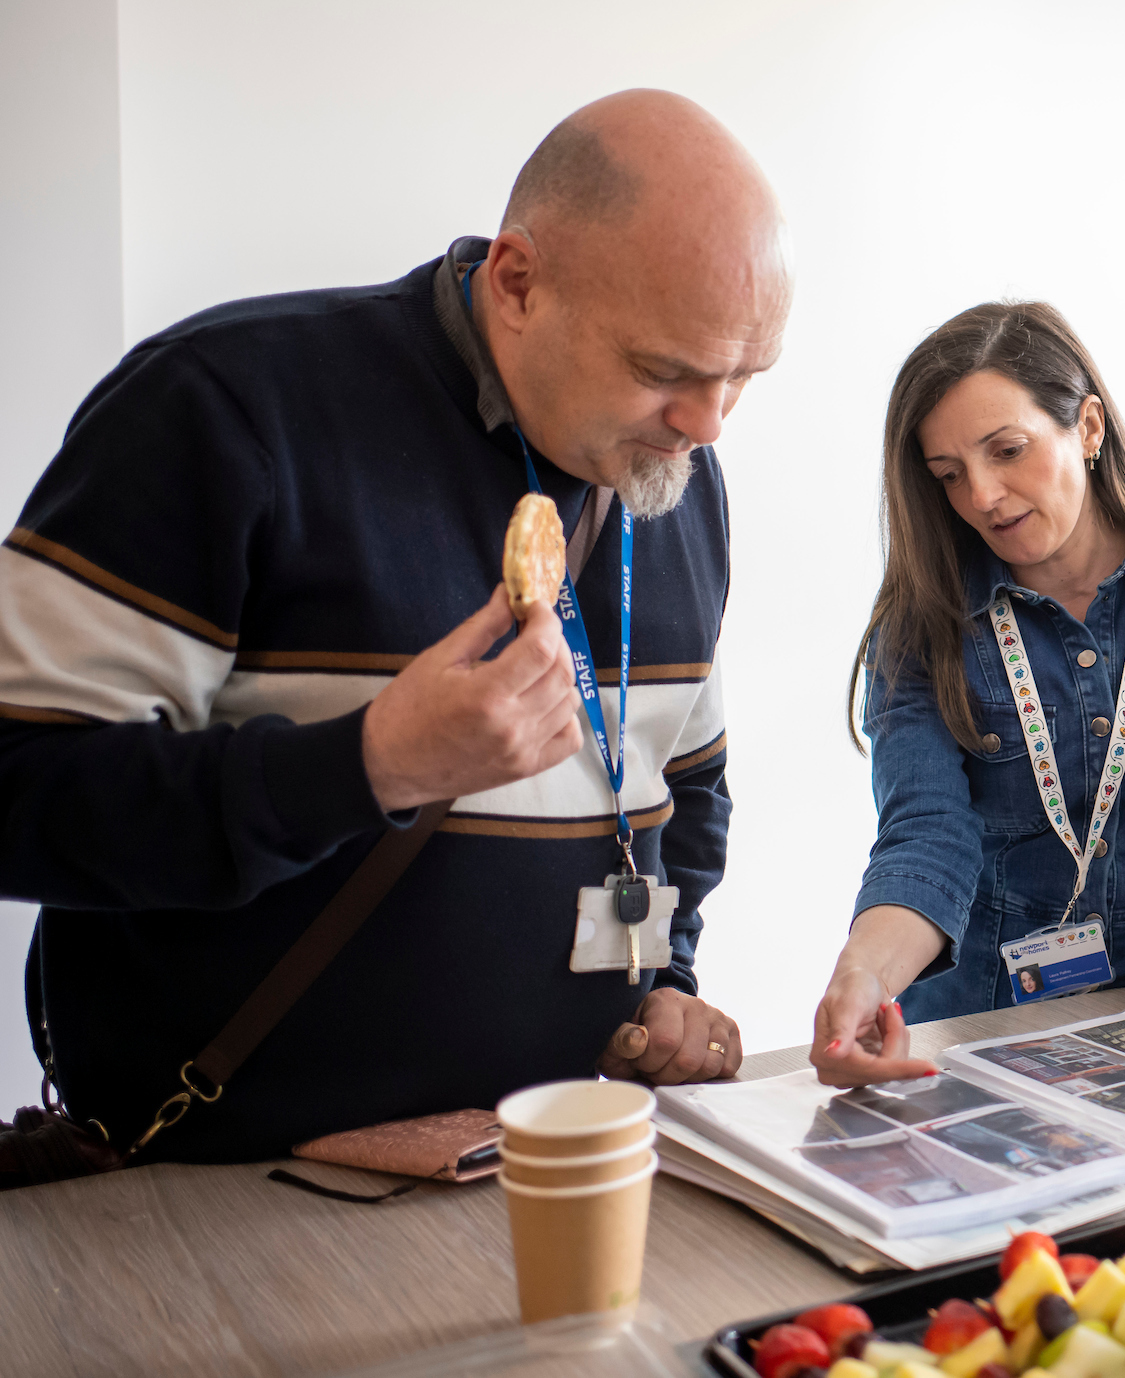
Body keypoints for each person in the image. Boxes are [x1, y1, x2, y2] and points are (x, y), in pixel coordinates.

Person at [0, 89, 780, 1162]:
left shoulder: (679, 477)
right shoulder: (228, 405)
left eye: (744, 375)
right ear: (517, 281)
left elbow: (684, 786)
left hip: (544, 1158)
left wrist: (667, 980)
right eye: (664, 371)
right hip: (220, 1177)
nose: (708, 425)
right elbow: (16, 784)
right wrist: (366, 764)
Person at [809, 302, 1125, 1084]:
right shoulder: (920, 626)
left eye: (1006, 451)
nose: (981, 496)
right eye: (948, 476)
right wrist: (864, 976)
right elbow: (924, 832)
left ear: (1087, 427)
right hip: (987, 1034)